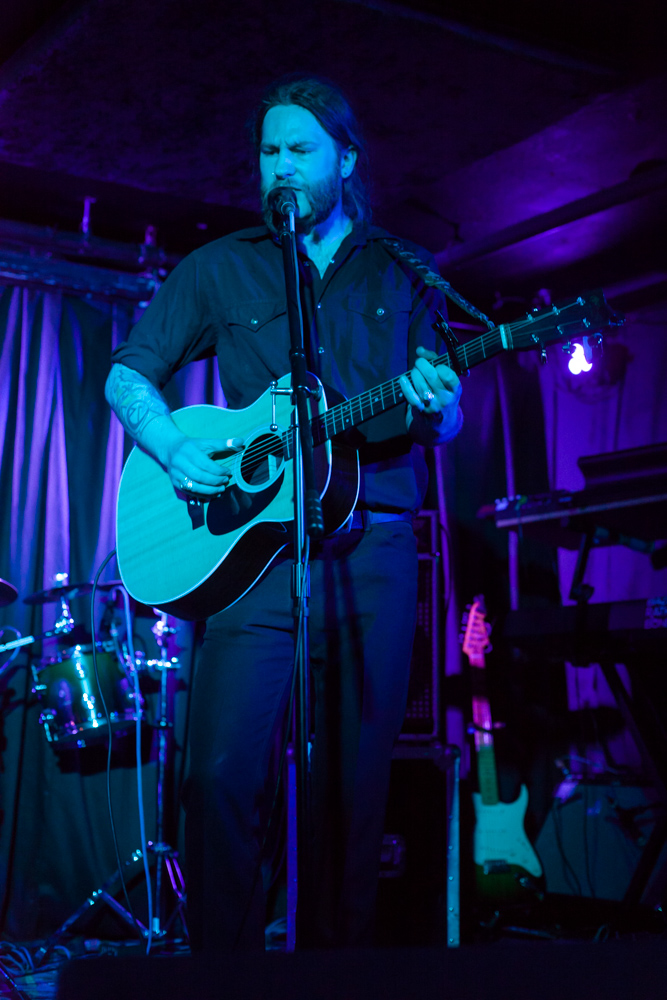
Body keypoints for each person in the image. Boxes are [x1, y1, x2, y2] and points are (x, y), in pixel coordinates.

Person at [105, 75, 462, 952]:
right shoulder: (220, 266)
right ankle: (222, 969)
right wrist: (170, 445)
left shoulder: (402, 270)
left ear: (345, 159)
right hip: (252, 557)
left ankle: (334, 969)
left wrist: (437, 399)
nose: (281, 167)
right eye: (269, 151)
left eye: (300, 150)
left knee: (352, 790)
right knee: (219, 776)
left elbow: (446, 414)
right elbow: (127, 372)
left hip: (370, 549)